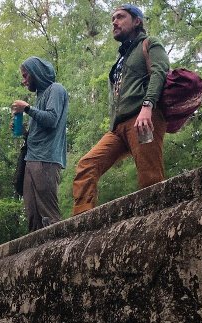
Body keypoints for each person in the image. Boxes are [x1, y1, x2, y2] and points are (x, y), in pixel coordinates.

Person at [72, 4, 170, 216]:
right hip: (118, 127)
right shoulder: (122, 58)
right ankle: (80, 223)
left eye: (120, 17)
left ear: (137, 21)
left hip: (144, 118)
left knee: (149, 177)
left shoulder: (150, 43)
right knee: (87, 166)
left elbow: (159, 72)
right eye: (112, 19)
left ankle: (156, 222)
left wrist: (147, 105)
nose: (114, 22)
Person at [11, 56, 69, 232]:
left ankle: (60, 249)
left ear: (36, 73)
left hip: (46, 159)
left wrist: (27, 109)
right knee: (32, 215)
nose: (24, 81)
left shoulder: (56, 90)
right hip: (32, 158)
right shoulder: (40, 97)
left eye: (26, 75)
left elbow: (52, 119)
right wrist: (23, 131)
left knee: (48, 213)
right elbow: (39, 131)